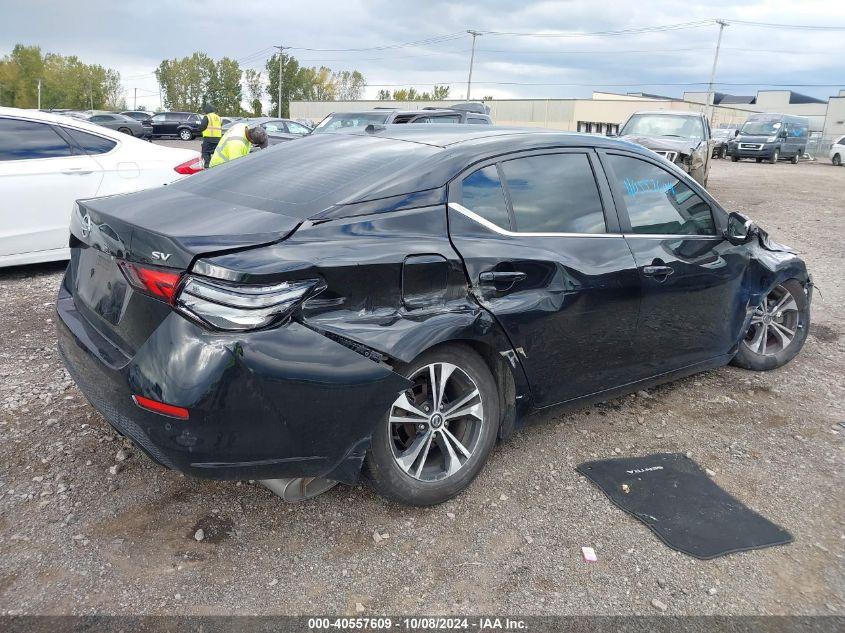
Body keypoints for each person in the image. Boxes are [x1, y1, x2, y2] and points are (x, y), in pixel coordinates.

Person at [197, 104, 223, 168]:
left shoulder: (207, 117)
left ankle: (207, 167)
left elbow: (202, 126)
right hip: (218, 139)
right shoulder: (218, 117)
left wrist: (199, 129)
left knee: (205, 152)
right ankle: (216, 165)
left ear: (206, 111)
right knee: (216, 153)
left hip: (208, 139)